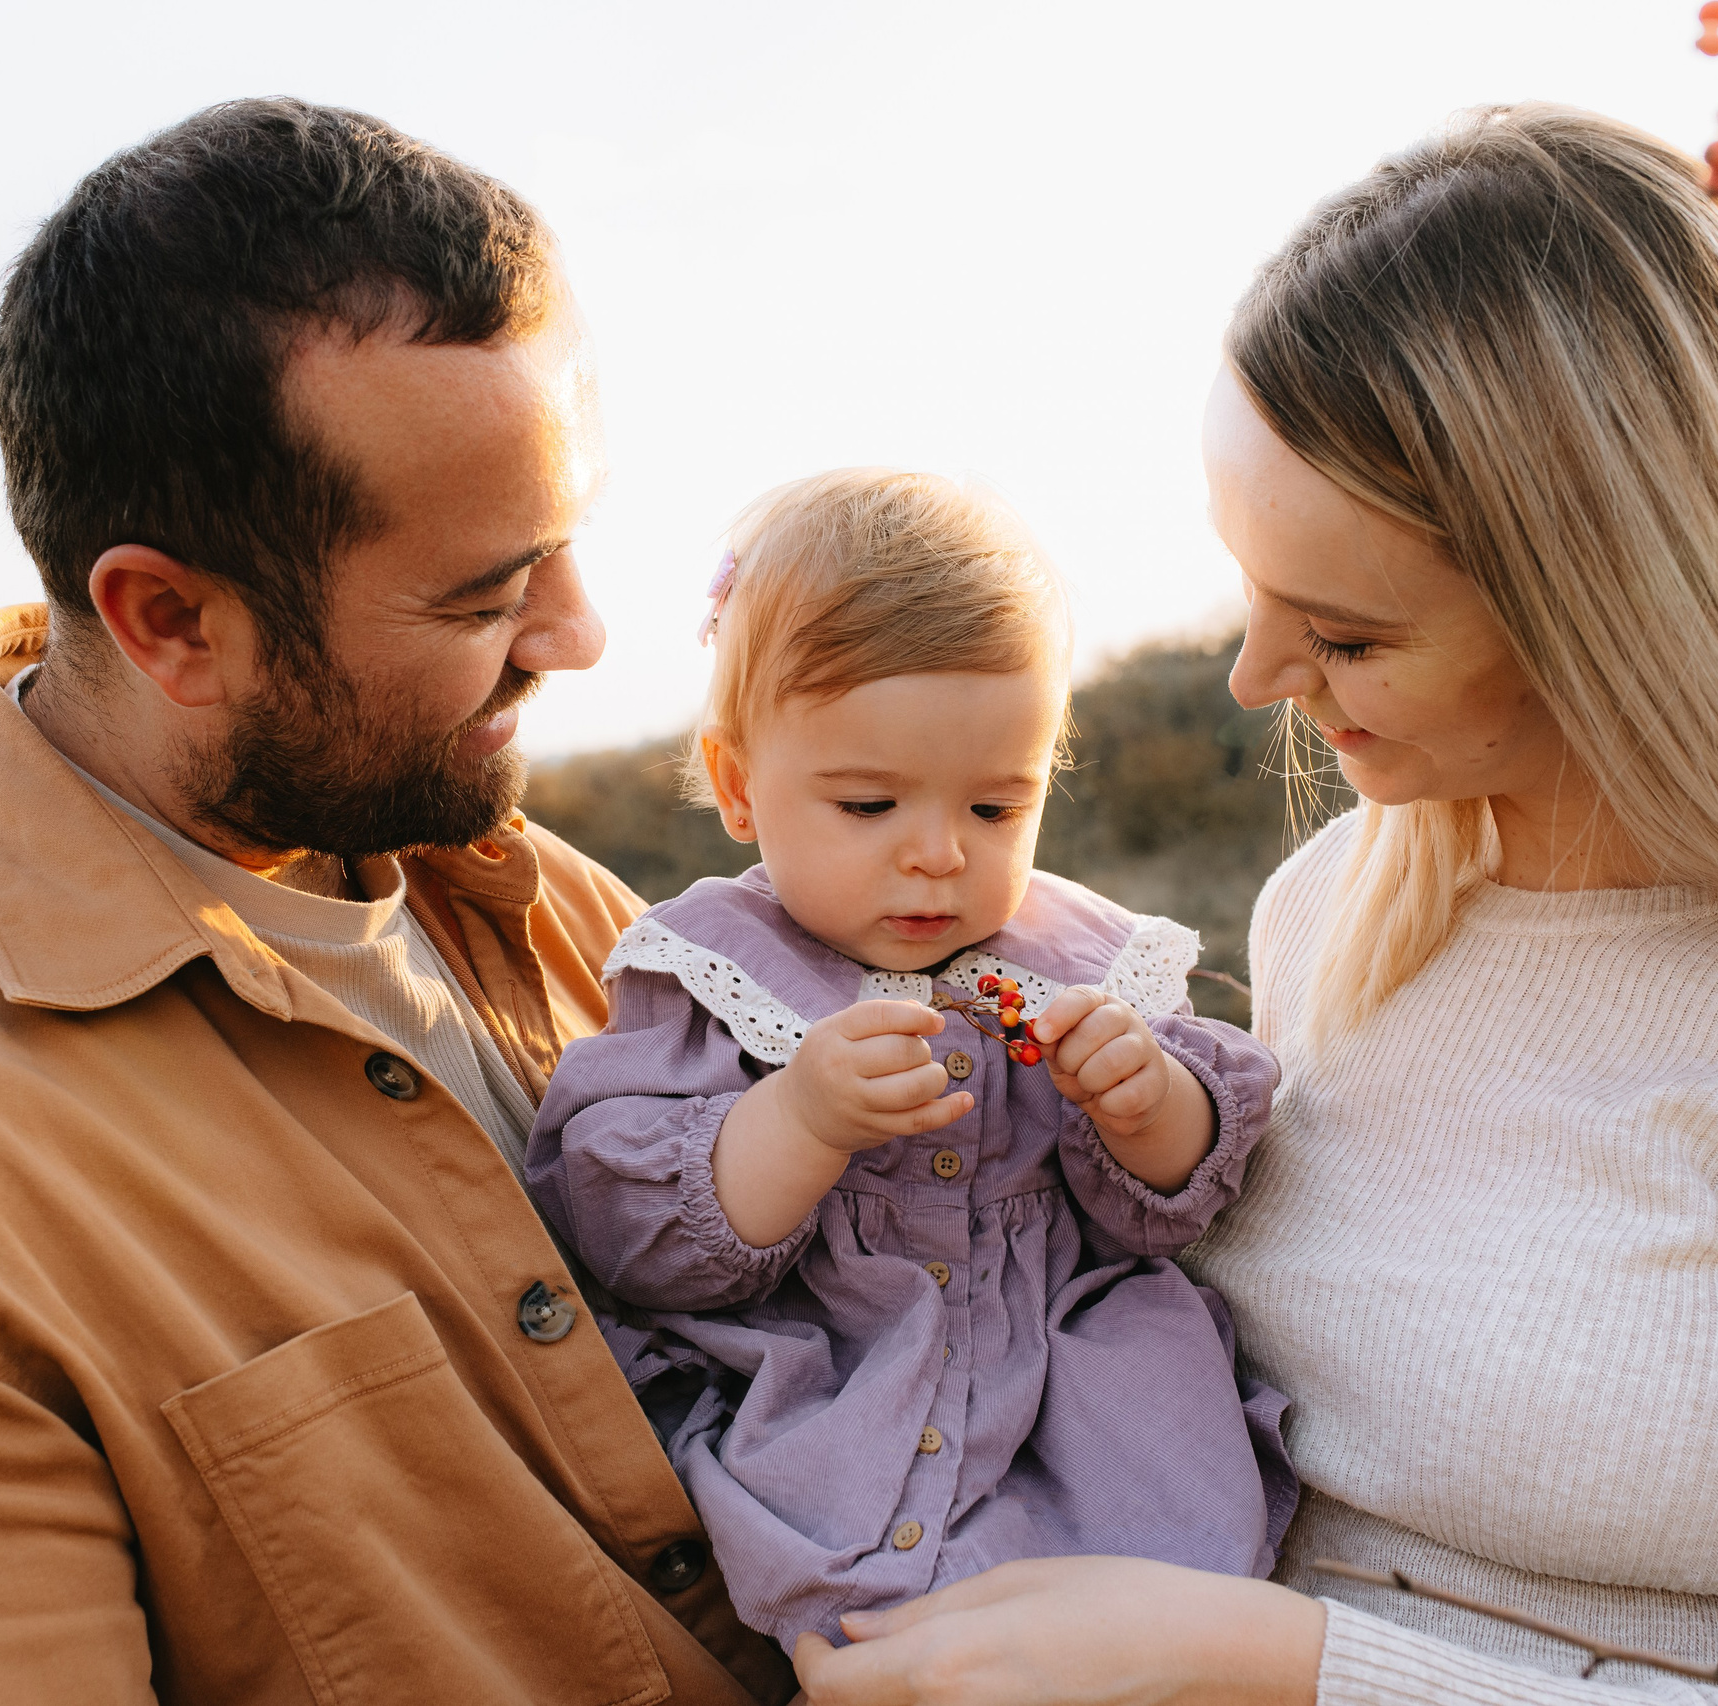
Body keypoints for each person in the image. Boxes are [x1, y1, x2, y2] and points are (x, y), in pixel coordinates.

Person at [796, 103, 1718, 1706]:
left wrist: (1280, 1666)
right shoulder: (1343, 908)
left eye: (1348, 635)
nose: (1256, 679)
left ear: (1620, 612)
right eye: (1246, 585)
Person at [0, 99, 789, 1704]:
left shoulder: (538, 900)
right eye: (487, 591)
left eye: (563, 545)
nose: (580, 635)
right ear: (169, 618)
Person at [525, 469, 1293, 1653]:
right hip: (836, 1389)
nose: (937, 854)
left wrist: (1147, 1105)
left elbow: (1173, 1211)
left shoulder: (1076, 958)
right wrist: (797, 1119)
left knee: (1147, 1601)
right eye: (871, 802)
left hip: (1073, 1396)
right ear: (739, 784)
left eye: (996, 806)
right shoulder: (715, 968)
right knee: (867, 1626)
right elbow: (632, 1236)